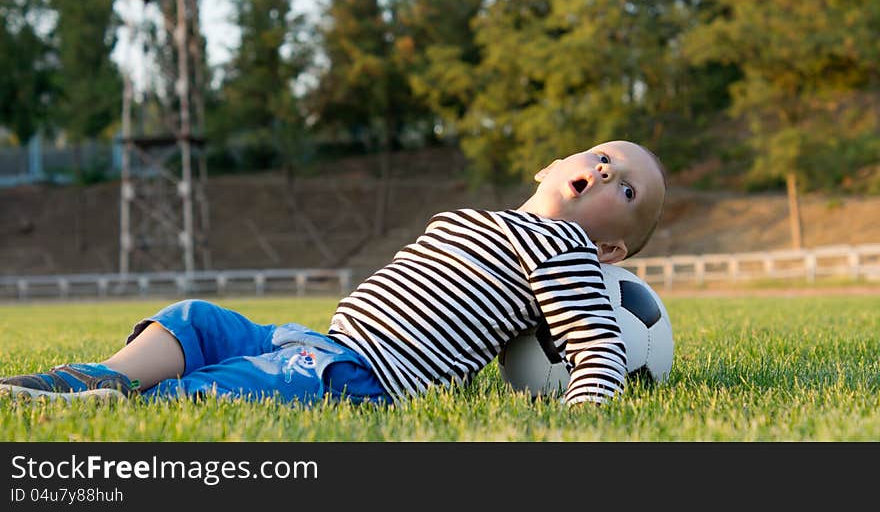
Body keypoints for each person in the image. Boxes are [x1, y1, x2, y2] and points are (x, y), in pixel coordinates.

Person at [0, 140, 667, 408]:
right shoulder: (475, 217)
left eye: (628, 192)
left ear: (608, 252)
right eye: (605, 155)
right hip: (318, 337)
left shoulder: (564, 250)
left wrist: (586, 416)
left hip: (363, 374)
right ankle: (100, 376)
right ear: (550, 166)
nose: (609, 171)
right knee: (197, 318)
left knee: (243, 383)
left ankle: (122, 408)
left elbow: (597, 344)